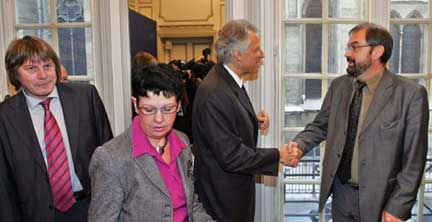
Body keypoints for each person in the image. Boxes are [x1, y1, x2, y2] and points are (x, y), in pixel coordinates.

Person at [287, 23, 429, 222]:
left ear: (377, 51)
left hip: (382, 201)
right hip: (341, 195)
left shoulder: (410, 94)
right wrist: (299, 146)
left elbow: (414, 160)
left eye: (354, 47)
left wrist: (398, 206)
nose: (347, 53)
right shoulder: (339, 86)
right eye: (347, 47)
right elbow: (320, 126)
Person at [0, 35, 113, 222]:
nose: (43, 75)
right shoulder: (5, 116)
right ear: (15, 74)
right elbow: (4, 183)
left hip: (91, 209)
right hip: (36, 215)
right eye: (31, 68)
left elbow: (110, 157)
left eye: (47, 66)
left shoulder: (85, 98)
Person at [192, 19, 293, 222]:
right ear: (238, 55)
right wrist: (278, 155)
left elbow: (225, 125)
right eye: (256, 49)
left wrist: (251, 121)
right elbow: (231, 156)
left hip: (233, 195)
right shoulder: (215, 92)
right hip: (222, 203)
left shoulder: (227, 81)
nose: (262, 54)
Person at [88, 65, 215, 222]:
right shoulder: (111, 157)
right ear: (135, 104)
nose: (159, 119)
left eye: (168, 109)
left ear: (179, 105)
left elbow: (191, 205)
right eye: (149, 110)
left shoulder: (182, 141)